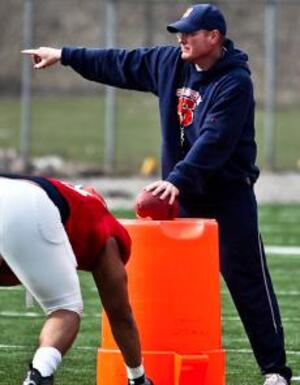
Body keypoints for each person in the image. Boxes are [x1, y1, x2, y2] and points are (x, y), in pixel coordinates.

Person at [22, 4, 292, 384]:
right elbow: (120, 62)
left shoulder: (235, 82)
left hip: (226, 197)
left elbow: (215, 140)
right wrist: (65, 56)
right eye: (179, 31)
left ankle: (276, 372)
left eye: (190, 32)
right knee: (170, 283)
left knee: (248, 283)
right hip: (179, 195)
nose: (180, 38)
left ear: (213, 37)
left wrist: (178, 178)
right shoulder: (171, 63)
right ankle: (162, 359)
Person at [0, 174, 153, 385]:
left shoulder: (69, 196)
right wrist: (138, 377)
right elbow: (121, 317)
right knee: (65, 308)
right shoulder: (105, 227)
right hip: (27, 203)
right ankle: (39, 375)